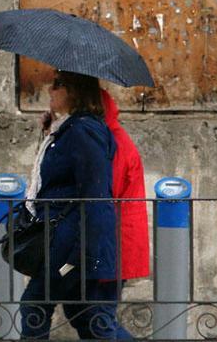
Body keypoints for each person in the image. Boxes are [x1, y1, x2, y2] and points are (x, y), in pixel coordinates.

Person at [20, 71, 132, 340]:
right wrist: (50, 132)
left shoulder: (84, 131)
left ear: (75, 91)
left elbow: (94, 193)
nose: (50, 89)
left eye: (58, 84)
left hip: (72, 247)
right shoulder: (71, 129)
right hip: (67, 240)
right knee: (89, 316)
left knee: (35, 303)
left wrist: (83, 256)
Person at [101, 90, 150, 282]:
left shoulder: (115, 143)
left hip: (117, 240)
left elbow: (107, 188)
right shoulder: (111, 138)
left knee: (100, 307)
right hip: (116, 239)